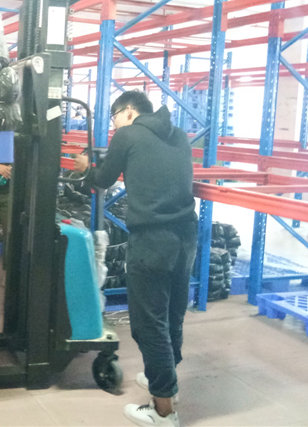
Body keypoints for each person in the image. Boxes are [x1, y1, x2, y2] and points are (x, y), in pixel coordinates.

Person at [74, 91, 196, 427]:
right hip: (186, 236)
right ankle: (167, 382)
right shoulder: (179, 135)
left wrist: (86, 168)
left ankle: (163, 411)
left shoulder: (127, 135)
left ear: (128, 112)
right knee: (172, 315)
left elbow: (103, 180)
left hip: (152, 240)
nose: (114, 124)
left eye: (114, 117)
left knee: (148, 324)